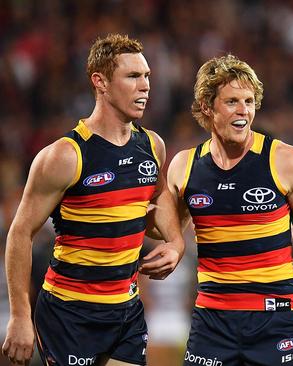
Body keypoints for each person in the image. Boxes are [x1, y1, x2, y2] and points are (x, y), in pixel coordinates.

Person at [2, 34, 185, 366]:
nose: (145, 86)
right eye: (133, 76)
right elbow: (20, 233)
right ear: (100, 82)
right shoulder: (64, 156)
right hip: (69, 313)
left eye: (147, 77)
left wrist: (175, 243)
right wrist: (19, 316)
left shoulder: (152, 146)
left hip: (126, 310)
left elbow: (158, 204)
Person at [166, 54, 293, 366]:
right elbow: (168, 232)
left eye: (249, 101)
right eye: (232, 101)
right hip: (212, 321)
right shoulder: (184, 167)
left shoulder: (287, 161)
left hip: (277, 319)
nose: (243, 110)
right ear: (207, 106)